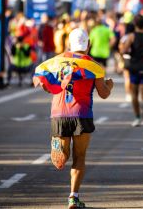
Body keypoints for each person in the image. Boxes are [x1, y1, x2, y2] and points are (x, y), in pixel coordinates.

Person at [33, 28, 113, 209]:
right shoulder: (94, 66)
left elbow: (47, 86)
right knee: (80, 156)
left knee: (63, 156)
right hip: (82, 115)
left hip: (59, 113)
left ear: (69, 43)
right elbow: (104, 94)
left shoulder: (55, 62)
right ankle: (73, 197)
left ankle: (59, 146)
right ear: (88, 45)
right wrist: (109, 85)